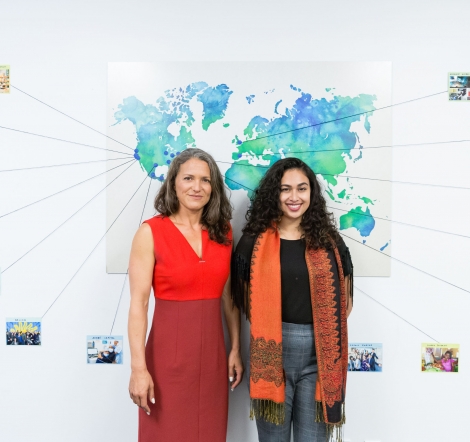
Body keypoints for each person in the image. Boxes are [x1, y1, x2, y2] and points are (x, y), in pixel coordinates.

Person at [231, 158, 353, 442]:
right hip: (272, 355)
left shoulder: (329, 241)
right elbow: (238, 298)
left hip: (318, 359)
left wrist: (322, 332)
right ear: (275, 193)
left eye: (302, 188)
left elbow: (344, 298)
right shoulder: (253, 241)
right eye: (286, 189)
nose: (294, 197)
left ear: (312, 193)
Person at [128, 148, 243, 442]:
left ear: (213, 187)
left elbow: (230, 296)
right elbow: (139, 306)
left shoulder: (224, 232)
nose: (197, 187)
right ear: (173, 184)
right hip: (167, 362)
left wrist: (235, 349)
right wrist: (139, 369)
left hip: (213, 360)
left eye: (205, 180)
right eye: (188, 178)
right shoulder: (150, 233)